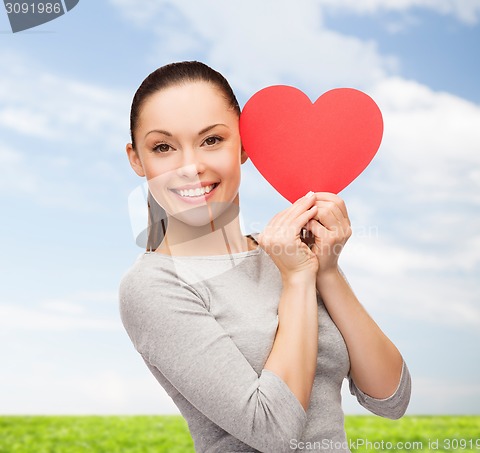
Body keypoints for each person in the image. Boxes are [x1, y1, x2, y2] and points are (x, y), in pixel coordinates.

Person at [119, 61, 411, 453]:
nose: (191, 167)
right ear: (137, 159)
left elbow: (391, 399)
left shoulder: (288, 251)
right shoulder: (153, 286)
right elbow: (272, 431)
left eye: (211, 140)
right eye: (163, 147)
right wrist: (297, 281)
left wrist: (326, 271)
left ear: (244, 145)